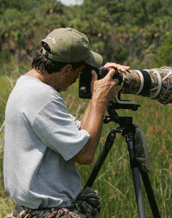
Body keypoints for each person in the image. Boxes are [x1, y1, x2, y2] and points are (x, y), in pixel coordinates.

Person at [4, 27, 130, 217]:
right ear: (66, 70)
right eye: (79, 72)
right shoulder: (41, 96)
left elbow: (80, 134)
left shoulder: (26, 86)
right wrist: (99, 99)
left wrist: (100, 78)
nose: (76, 80)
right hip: (49, 212)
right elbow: (85, 153)